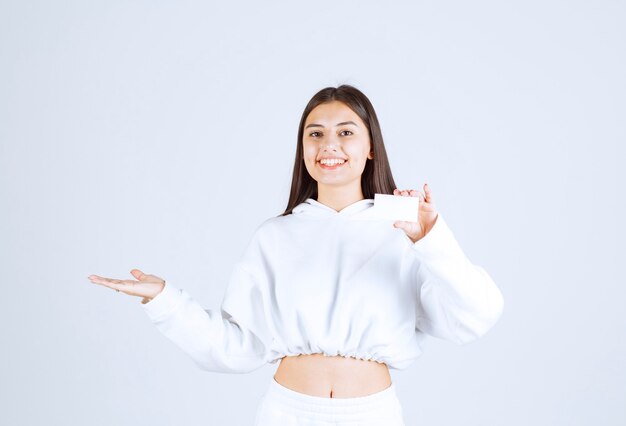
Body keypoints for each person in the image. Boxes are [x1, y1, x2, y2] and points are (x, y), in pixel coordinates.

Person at [88, 84, 505, 425]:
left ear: (371, 147)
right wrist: (163, 299)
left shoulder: (407, 231)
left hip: (372, 415)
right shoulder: (276, 236)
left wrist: (432, 238)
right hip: (287, 412)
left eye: (346, 132)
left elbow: (475, 316)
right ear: (303, 149)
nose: (329, 145)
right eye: (315, 133)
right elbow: (235, 346)